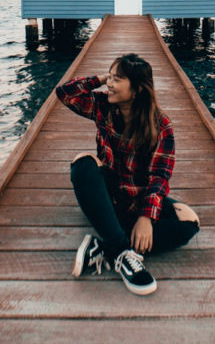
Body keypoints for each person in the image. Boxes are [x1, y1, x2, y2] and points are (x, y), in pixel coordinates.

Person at [55, 52, 200, 295]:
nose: (109, 84)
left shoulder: (160, 124)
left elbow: (160, 177)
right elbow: (64, 93)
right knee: (83, 163)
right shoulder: (102, 106)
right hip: (109, 194)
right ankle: (124, 254)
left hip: (139, 198)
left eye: (117, 79)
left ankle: (106, 246)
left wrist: (146, 217)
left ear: (137, 90)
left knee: (190, 220)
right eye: (109, 77)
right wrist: (101, 79)